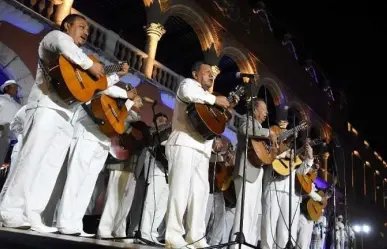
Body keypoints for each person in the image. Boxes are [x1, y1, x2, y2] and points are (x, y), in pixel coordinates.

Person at [0, 14, 127, 233]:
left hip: (66, 117)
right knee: (31, 160)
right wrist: (91, 64)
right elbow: (64, 45)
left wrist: (115, 73)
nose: (86, 32)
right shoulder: (55, 37)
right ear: (67, 26)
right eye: (81, 27)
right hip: (46, 108)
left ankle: (33, 214)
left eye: (88, 28)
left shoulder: (79, 62)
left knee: (49, 169)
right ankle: (10, 210)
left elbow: (96, 85)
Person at [56, 84, 139, 236]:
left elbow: (119, 120)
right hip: (86, 133)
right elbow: (107, 88)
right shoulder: (102, 87)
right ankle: (64, 221)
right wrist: (127, 94)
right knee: (76, 179)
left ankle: (75, 223)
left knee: (88, 184)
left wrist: (129, 100)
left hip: (103, 141)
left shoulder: (118, 100)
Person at [164, 61, 230, 248]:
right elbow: (188, 94)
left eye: (212, 73)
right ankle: (173, 236)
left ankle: (196, 237)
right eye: (207, 72)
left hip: (202, 150)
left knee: (199, 195)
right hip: (184, 142)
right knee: (180, 190)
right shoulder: (188, 84)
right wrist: (215, 100)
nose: (211, 75)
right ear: (195, 74)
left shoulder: (206, 97)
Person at [231, 98, 277, 249]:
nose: (266, 113)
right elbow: (245, 129)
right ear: (255, 110)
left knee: (253, 213)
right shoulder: (247, 119)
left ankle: (247, 245)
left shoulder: (259, 129)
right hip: (246, 171)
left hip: (256, 173)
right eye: (264, 110)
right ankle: (237, 246)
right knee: (244, 212)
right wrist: (268, 132)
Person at [261, 134, 315, 249]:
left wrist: (310, 158)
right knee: (269, 226)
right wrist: (284, 154)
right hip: (274, 186)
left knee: (285, 232)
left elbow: (300, 172)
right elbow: (268, 155)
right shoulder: (278, 141)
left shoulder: (298, 155)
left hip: (291, 193)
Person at [139, 112, 171, 244]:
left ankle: (153, 233)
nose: (163, 122)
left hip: (169, 172)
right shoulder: (153, 131)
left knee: (162, 205)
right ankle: (144, 233)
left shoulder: (170, 132)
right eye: (160, 120)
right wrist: (168, 126)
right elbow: (151, 138)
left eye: (165, 120)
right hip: (156, 169)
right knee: (151, 202)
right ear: (154, 122)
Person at [0, 80, 21, 166]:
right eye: (14, 87)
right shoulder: (1, 98)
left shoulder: (18, 106)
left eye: (17, 88)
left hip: (7, 138)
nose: (16, 90)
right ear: (6, 88)